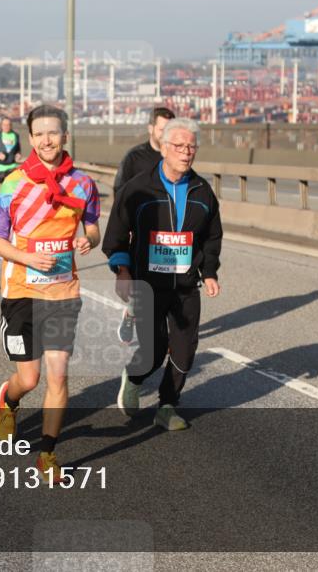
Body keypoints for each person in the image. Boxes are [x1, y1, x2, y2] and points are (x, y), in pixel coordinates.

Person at [0, 105, 100, 480]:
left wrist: (90, 239)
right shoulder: (13, 183)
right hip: (22, 290)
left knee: (58, 377)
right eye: (39, 134)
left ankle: (47, 455)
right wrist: (28, 258)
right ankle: (10, 399)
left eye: (53, 133)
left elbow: (93, 227)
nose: (46, 140)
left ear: (65, 136)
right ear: (31, 138)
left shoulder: (83, 184)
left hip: (63, 293)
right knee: (30, 379)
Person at [102, 118, 222, 431]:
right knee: (154, 349)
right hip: (147, 284)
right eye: (180, 146)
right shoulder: (138, 189)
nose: (186, 152)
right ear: (165, 148)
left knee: (185, 348)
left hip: (184, 285)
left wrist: (209, 272)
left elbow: (212, 236)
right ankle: (136, 377)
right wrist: (122, 270)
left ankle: (167, 405)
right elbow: (116, 234)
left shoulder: (203, 191)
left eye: (191, 147)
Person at [112, 106, 176, 344]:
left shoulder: (178, 155)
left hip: (169, 235)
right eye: (162, 129)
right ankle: (131, 314)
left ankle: (167, 333)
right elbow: (120, 192)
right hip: (140, 234)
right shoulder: (134, 158)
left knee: (170, 285)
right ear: (151, 128)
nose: (166, 134)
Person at [0, 117, 23, 227]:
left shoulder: (15, 135)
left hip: (11, 165)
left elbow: (18, 149)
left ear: (11, 125)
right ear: (1, 126)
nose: (6, 126)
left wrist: (18, 154)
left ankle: (9, 209)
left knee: (12, 188)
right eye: (4, 125)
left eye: (8, 125)